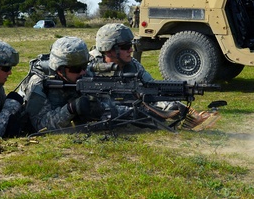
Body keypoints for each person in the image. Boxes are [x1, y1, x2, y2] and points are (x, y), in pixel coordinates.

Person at [89, 23, 217, 129]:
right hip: (105, 106)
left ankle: (191, 117)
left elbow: (152, 87)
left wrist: (177, 105)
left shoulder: (132, 64)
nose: (131, 50)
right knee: (145, 114)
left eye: (131, 45)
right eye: (126, 47)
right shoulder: (90, 66)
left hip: (129, 100)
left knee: (169, 106)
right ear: (109, 49)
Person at [12, 36, 105, 133]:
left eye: (85, 66)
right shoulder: (39, 82)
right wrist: (71, 109)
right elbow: (40, 125)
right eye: (76, 69)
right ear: (60, 69)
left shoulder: (84, 73)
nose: (82, 72)